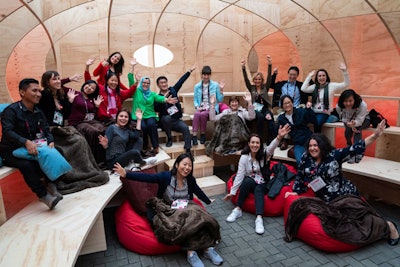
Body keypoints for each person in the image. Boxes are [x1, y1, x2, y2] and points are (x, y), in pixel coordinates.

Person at [284, 124, 399, 247]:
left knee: (357, 219)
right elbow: (300, 175)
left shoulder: (334, 155)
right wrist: (296, 191)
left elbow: (356, 147)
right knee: (338, 225)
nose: (312, 148)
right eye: (310, 146)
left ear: (322, 146)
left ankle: (389, 226)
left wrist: (375, 135)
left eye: (315, 145)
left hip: (345, 195)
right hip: (327, 201)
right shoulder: (305, 158)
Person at [113, 153, 224, 267]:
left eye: (190, 165)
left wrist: (208, 201)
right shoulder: (165, 177)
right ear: (176, 165)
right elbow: (147, 178)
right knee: (184, 224)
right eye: (184, 164)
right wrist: (126, 174)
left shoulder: (190, 180)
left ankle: (207, 249)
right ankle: (191, 253)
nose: (187, 168)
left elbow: (198, 191)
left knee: (202, 218)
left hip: (186, 206)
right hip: (169, 209)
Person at [0, 78, 64, 209]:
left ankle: (52, 184)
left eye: (39, 91)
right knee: (27, 165)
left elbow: (46, 130)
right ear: (22, 92)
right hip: (12, 150)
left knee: (58, 152)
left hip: (36, 147)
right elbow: (7, 132)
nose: (38, 94)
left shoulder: (38, 111)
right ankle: (44, 196)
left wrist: (50, 141)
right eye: (34, 90)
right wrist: (25, 142)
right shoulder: (11, 111)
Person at [223, 124, 291, 235]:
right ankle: (238, 209)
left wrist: (279, 137)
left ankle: (259, 218)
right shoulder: (244, 158)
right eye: (252, 142)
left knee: (259, 189)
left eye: (257, 143)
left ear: (260, 144)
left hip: (263, 183)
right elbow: (240, 175)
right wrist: (232, 192)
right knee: (247, 181)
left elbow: (272, 147)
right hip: (251, 182)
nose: (255, 145)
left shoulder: (264, 154)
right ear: (249, 144)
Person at [131, 77, 178, 154]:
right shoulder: (136, 92)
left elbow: (159, 98)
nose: (146, 84)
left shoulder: (152, 94)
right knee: (143, 127)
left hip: (150, 115)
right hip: (139, 115)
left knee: (152, 124)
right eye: (144, 82)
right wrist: (132, 70)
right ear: (141, 83)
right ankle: (145, 147)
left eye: (147, 83)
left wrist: (166, 99)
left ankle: (155, 146)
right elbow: (131, 82)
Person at [154, 65, 196, 152]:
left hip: (175, 120)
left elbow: (181, 81)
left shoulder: (173, 90)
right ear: (158, 85)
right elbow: (156, 108)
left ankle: (188, 150)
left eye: (165, 82)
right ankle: (169, 138)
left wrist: (189, 71)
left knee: (185, 128)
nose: (164, 84)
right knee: (166, 118)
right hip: (165, 122)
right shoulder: (157, 97)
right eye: (161, 83)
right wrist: (164, 100)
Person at [66, 77, 106, 163]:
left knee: (102, 129)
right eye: (88, 85)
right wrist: (69, 79)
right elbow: (59, 86)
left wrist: (97, 107)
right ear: (84, 84)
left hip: (90, 121)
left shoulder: (91, 99)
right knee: (93, 131)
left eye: (93, 88)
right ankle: (92, 159)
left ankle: (102, 157)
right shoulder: (75, 94)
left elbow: (92, 114)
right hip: (77, 122)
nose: (89, 88)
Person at [301, 63, 350, 132]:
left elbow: (346, 84)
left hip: (323, 112)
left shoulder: (331, 86)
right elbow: (303, 89)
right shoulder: (315, 86)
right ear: (317, 78)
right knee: (302, 118)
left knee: (317, 123)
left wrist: (344, 71)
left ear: (326, 77)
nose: (321, 78)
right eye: (319, 76)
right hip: (313, 111)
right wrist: (309, 76)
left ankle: (316, 139)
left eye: (323, 75)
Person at [241, 56, 275, 144]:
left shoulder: (265, 87)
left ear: (261, 80)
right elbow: (246, 80)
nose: (257, 81)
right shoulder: (251, 88)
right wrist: (243, 68)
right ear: (254, 80)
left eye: (259, 79)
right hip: (255, 109)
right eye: (256, 79)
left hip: (264, 109)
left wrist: (270, 64)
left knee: (270, 117)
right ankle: (259, 139)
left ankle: (270, 139)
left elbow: (269, 78)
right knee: (260, 117)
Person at [277, 95, 316, 164]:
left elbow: (313, 120)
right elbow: (278, 131)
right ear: (282, 106)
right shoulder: (281, 118)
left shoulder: (300, 111)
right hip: (298, 143)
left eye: (289, 102)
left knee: (316, 157)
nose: (287, 105)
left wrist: (309, 109)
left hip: (309, 139)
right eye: (285, 103)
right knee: (300, 160)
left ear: (292, 103)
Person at [192, 65, 224, 145]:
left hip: (212, 107)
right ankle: (194, 136)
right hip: (201, 107)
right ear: (202, 75)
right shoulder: (197, 86)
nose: (206, 76)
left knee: (203, 114)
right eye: (204, 74)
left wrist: (221, 90)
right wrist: (197, 106)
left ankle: (203, 134)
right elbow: (195, 100)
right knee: (196, 113)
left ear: (210, 75)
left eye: (208, 75)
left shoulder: (215, 85)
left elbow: (220, 100)